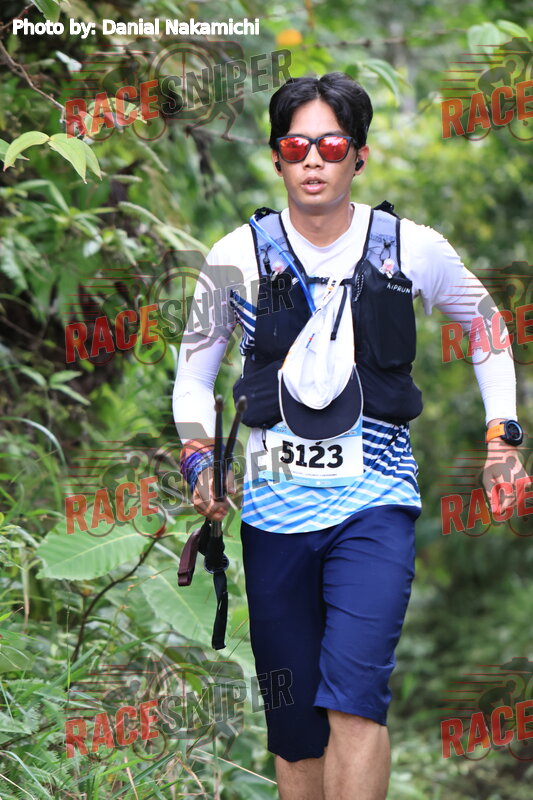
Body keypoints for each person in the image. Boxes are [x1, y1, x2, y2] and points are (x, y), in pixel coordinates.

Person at [173, 73, 524, 800]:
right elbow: (192, 377)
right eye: (296, 146)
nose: (313, 160)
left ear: (359, 156)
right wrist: (200, 460)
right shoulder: (235, 256)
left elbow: (487, 327)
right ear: (275, 157)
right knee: (295, 726)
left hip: (375, 506)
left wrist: (503, 437)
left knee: (356, 698)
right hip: (272, 515)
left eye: (331, 146)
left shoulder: (409, 247)